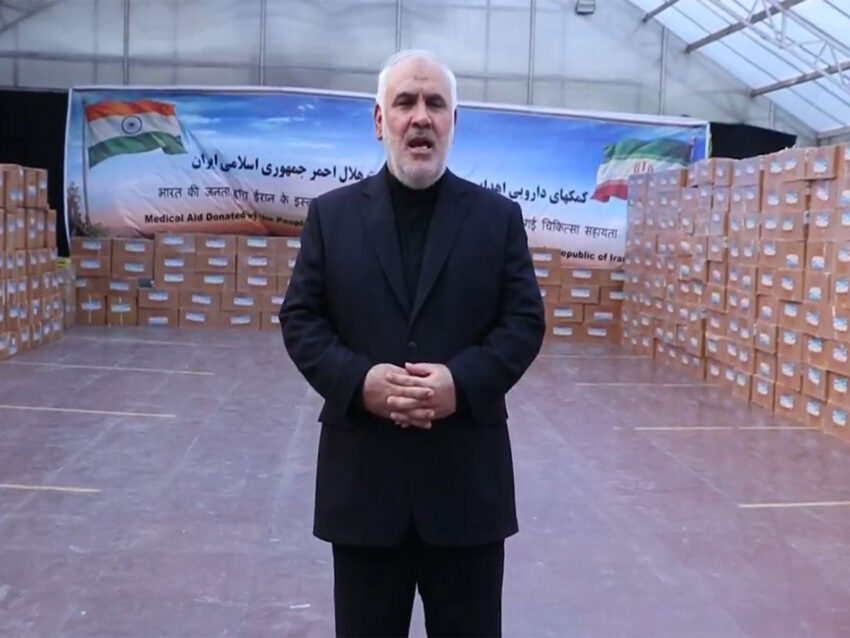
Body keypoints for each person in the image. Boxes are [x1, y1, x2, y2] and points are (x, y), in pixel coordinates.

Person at [279, 49, 545, 637]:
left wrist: (461, 383)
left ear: (453, 122)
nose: (421, 116)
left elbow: (524, 321)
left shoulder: (497, 218)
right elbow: (300, 318)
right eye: (405, 102)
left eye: (435, 104)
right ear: (380, 121)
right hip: (364, 493)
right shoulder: (332, 217)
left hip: (466, 491)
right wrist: (359, 382)